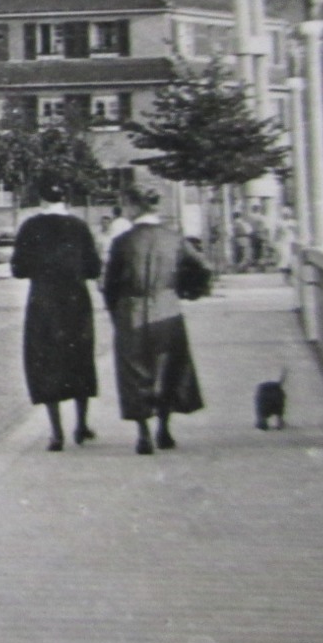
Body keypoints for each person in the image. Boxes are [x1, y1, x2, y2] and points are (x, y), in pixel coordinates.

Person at [102, 186, 208, 455]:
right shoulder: (173, 239)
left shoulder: (123, 242)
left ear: (134, 207)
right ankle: (164, 428)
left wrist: (114, 311)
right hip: (166, 306)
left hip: (131, 310)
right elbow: (202, 268)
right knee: (167, 367)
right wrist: (186, 291)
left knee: (135, 371)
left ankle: (143, 434)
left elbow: (110, 284)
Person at [10, 183, 102, 451]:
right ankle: (81, 425)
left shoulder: (30, 227)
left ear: (41, 198)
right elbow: (93, 268)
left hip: (43, 302)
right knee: (80, 358)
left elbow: (18, 268)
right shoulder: (79, 226)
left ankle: (56, 432)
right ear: (67, 197)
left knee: (45, 360)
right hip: (76, 302)